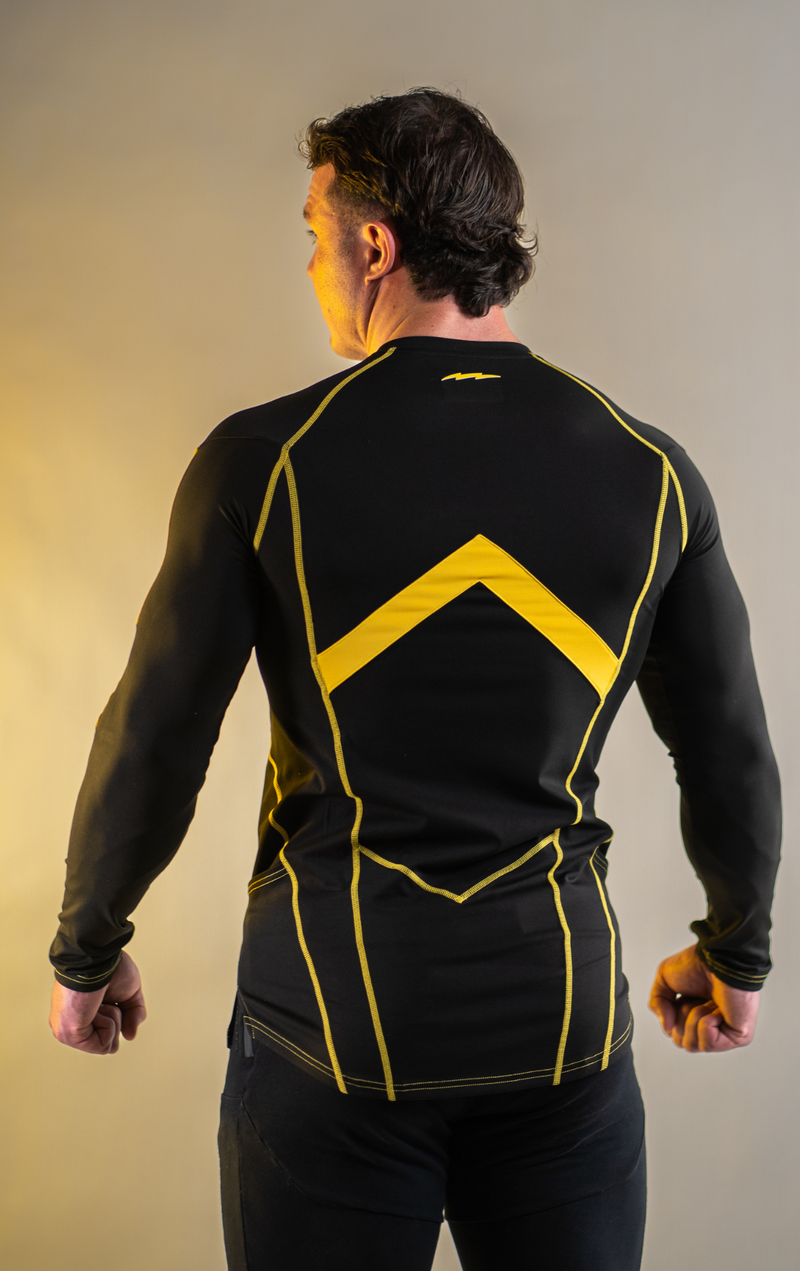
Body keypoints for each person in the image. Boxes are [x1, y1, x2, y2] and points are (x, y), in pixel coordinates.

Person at [48, 89, 780, 1271]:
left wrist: (88, 947)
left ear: (374, 246)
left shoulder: (262, 461)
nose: (310, 267)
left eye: (312, 235)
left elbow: (157, 734)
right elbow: (727, 744)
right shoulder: (651, 471)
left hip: (328, 1039)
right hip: (558, 1037)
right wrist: (733, 954)